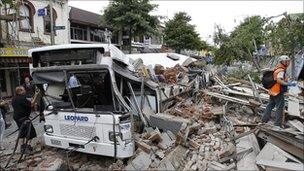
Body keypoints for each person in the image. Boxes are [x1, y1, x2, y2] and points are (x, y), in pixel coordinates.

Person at [262, 55, 297, 127]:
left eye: (288, 61)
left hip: (272, 91)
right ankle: (278, 125)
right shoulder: (281, 70)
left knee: (270, 105)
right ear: (283, 62)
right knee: (280, 108)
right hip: (278, 92)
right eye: (287, 61)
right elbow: (279, 80)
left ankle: (264, 120)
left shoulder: (277, 68)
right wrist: (288, 84)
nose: (288, 63)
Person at [12, 86, 37, 154]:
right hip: (23, 118)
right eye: (23, 90)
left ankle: (22, 147)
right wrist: (36, 96)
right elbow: (31, 104)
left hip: (17, 117)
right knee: (31, 132)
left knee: (22, 133)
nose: (25, 91)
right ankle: (27, 147)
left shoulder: (14, 98)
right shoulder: (22, 98)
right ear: (20, 91)